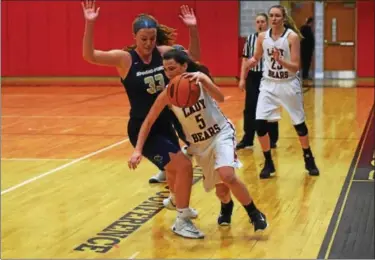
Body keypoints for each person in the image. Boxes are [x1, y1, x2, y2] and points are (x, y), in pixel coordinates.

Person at [128, 49, 269, 238]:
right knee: (221, 190)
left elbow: (219, 97)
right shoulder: (168, 94)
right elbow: (148, 121)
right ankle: (226, 205)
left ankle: (254, 213)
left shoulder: (198, 80)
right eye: (166, 69)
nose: (169, 73)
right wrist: (138, 150)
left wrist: (204, 79)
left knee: (227, 175)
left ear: (184, 66)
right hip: (199, 145)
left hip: (220, 134)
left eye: (173, 68)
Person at [81, 0, 200, 222]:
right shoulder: (125, 59)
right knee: (181, 165)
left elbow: (193, 57)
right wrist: (90, 24)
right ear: (134, 36)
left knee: (174, 171)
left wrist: (193, 29)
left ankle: (175, 201)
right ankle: (182, 216)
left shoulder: (164, 53)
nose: (148, 43)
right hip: (142, 128)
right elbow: (90, 56)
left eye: (152, 38)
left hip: (165, 123)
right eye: (143, 39)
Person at [246, 5, 320, 179]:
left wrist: (281, 61)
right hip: (268, 84)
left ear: (284, 18)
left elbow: (295, 67)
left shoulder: (291, 37)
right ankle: (268, 162)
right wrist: (249, 63)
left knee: (299, 125)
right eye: (271, 15)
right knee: (259, 124)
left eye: (277, 16)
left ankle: (308, 157)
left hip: (288, 83)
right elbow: (257, 57)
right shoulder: (262, 37)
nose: (273, 18)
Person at [237, 13, 279, 150]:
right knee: (249, 108)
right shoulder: (250, 39)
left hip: (268, 76)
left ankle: (272, 138)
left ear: (267, 23)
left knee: (269, 107)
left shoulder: (273, 39)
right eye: (258, 22)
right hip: (254, 76)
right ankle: (248, 138)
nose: (260, 24)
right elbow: (244, 60)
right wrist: (242, 78)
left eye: (262, 21)